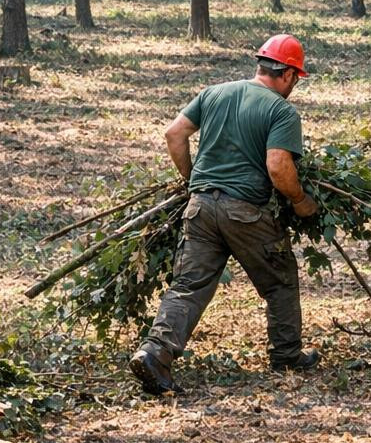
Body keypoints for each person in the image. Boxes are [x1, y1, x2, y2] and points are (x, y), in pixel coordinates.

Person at [129, 35, 320, 396]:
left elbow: (174, 135)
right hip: (246, 213)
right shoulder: (280, 111)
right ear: (289, 75)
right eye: (296, 78)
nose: (295, 86)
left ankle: (155, 354)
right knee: (280, 280)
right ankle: (286, 355)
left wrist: (193, 180)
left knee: (188, 287)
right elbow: (279, 166)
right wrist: (300, 201)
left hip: (200, 209)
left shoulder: (214, 92)